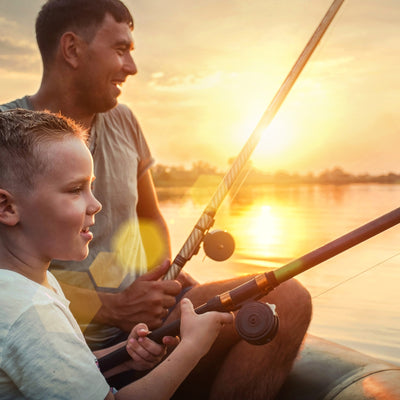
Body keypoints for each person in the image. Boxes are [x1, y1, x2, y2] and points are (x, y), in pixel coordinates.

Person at [0, 0, 312, 398]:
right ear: (73, 49)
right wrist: (113, 307)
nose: (132, 66)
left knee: (288, 298)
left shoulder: (125, 120)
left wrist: (165, 286)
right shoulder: (6, 137)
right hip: (81, 334)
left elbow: (151, 220)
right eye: (120, 49)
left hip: (141, 328)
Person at [0, 108, 233, 399]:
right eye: (75, 190)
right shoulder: (30, 311)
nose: (95, 204)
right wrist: (191, 348)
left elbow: (62, 366)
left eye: (91, 187)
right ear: (7, 208)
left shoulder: (25, 283)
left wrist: (123, 353)